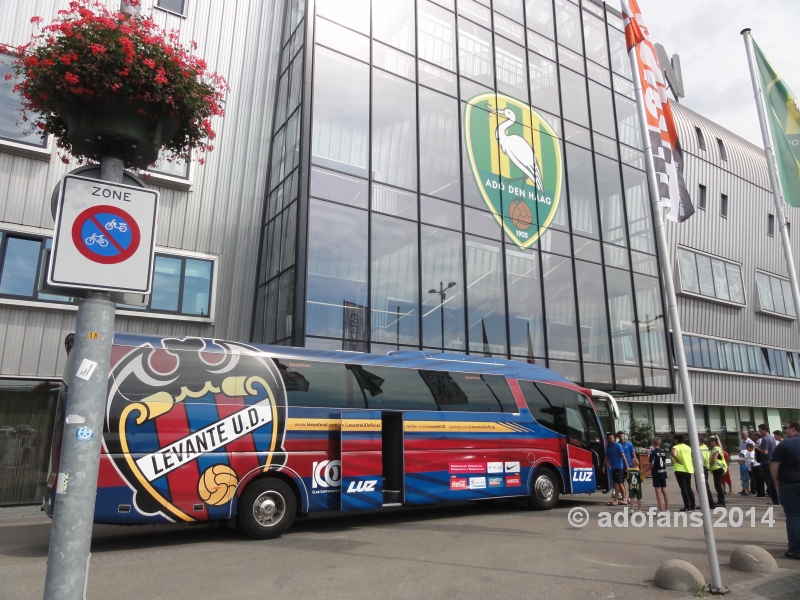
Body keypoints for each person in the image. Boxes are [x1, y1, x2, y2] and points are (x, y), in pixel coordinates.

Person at [770, 421, 800, 560]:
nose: (785, 431)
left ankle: (796, 549)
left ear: (793, 429)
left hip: (791, 484)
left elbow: (774, 463)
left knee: (793, 516)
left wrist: (776, 479)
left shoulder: (785, 444)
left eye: (786, 428)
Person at [672, 434, 696, 511]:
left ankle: (687, 506)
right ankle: (693, 505)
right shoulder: (688, 447)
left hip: (680, 469)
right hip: (688, 468)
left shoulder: (676, 447)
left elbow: (674, 454)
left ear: (676, 440)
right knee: (689, 487)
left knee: (683, 488)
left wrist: (677, 459)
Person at [757, 424, 779, 505]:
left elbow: (765, 452)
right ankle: (777, 498)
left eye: (760, 430)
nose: (759, 431)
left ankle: (775, 499)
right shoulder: (772, 438)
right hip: (772, 460)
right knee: (773, 480)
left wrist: (757, 448)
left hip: (766, 462)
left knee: (770, 481)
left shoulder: (765, 439)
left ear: (764, 430)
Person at [650, 437, 670, 513]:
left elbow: (652, 464)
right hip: (663, 471)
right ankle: (667, 509)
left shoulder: (653, 452)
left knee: (657, 491)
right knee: (664, 490)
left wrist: (644, 471)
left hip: (656, 472)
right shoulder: (663, 451)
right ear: (660, 443)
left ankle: (661, 510)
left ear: (653, 443)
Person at [708, 435, 727, 507]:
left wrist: (708, 466)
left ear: (714, 441)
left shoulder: (716, 449)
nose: (709, 443)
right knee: (717, 485)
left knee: (718, 485)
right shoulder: (716, 448)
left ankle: (721, 501)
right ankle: (721, 501)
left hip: (718, 468)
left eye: (710, 441)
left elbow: (713, 460)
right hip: (717, 468)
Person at [698, 436, 717, 509]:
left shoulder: (699, 449)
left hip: (701, 468)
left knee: (702, 486)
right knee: (706, 485)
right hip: (705, 467)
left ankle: (707, 503)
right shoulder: (706, 448)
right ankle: (710, 503)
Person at [751, 432, 766, 498]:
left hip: (758, 464)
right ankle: (759, 493)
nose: (753, 437)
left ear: (757, 436)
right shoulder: (757, 442)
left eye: (754, 436)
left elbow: (761, 451)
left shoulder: (760, 442)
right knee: (757, 480)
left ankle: (761, 493)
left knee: (759, 479)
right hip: (757, 463)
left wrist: (756, 447)